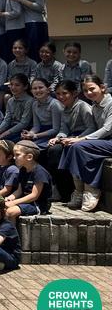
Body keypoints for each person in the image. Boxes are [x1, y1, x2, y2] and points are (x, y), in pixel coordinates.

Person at [58, 75, 112, 212]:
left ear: (102, 87)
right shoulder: (95, 106)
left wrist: (81, 139)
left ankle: (91, 188)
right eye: (86, 90)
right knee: (70, 146)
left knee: (79, 146)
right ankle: (79, 190)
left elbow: (107, 129)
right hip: (104, 141)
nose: (89, 93)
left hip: (109, 140)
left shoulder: (110, 103)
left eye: (92, 89)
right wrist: (74, 138)